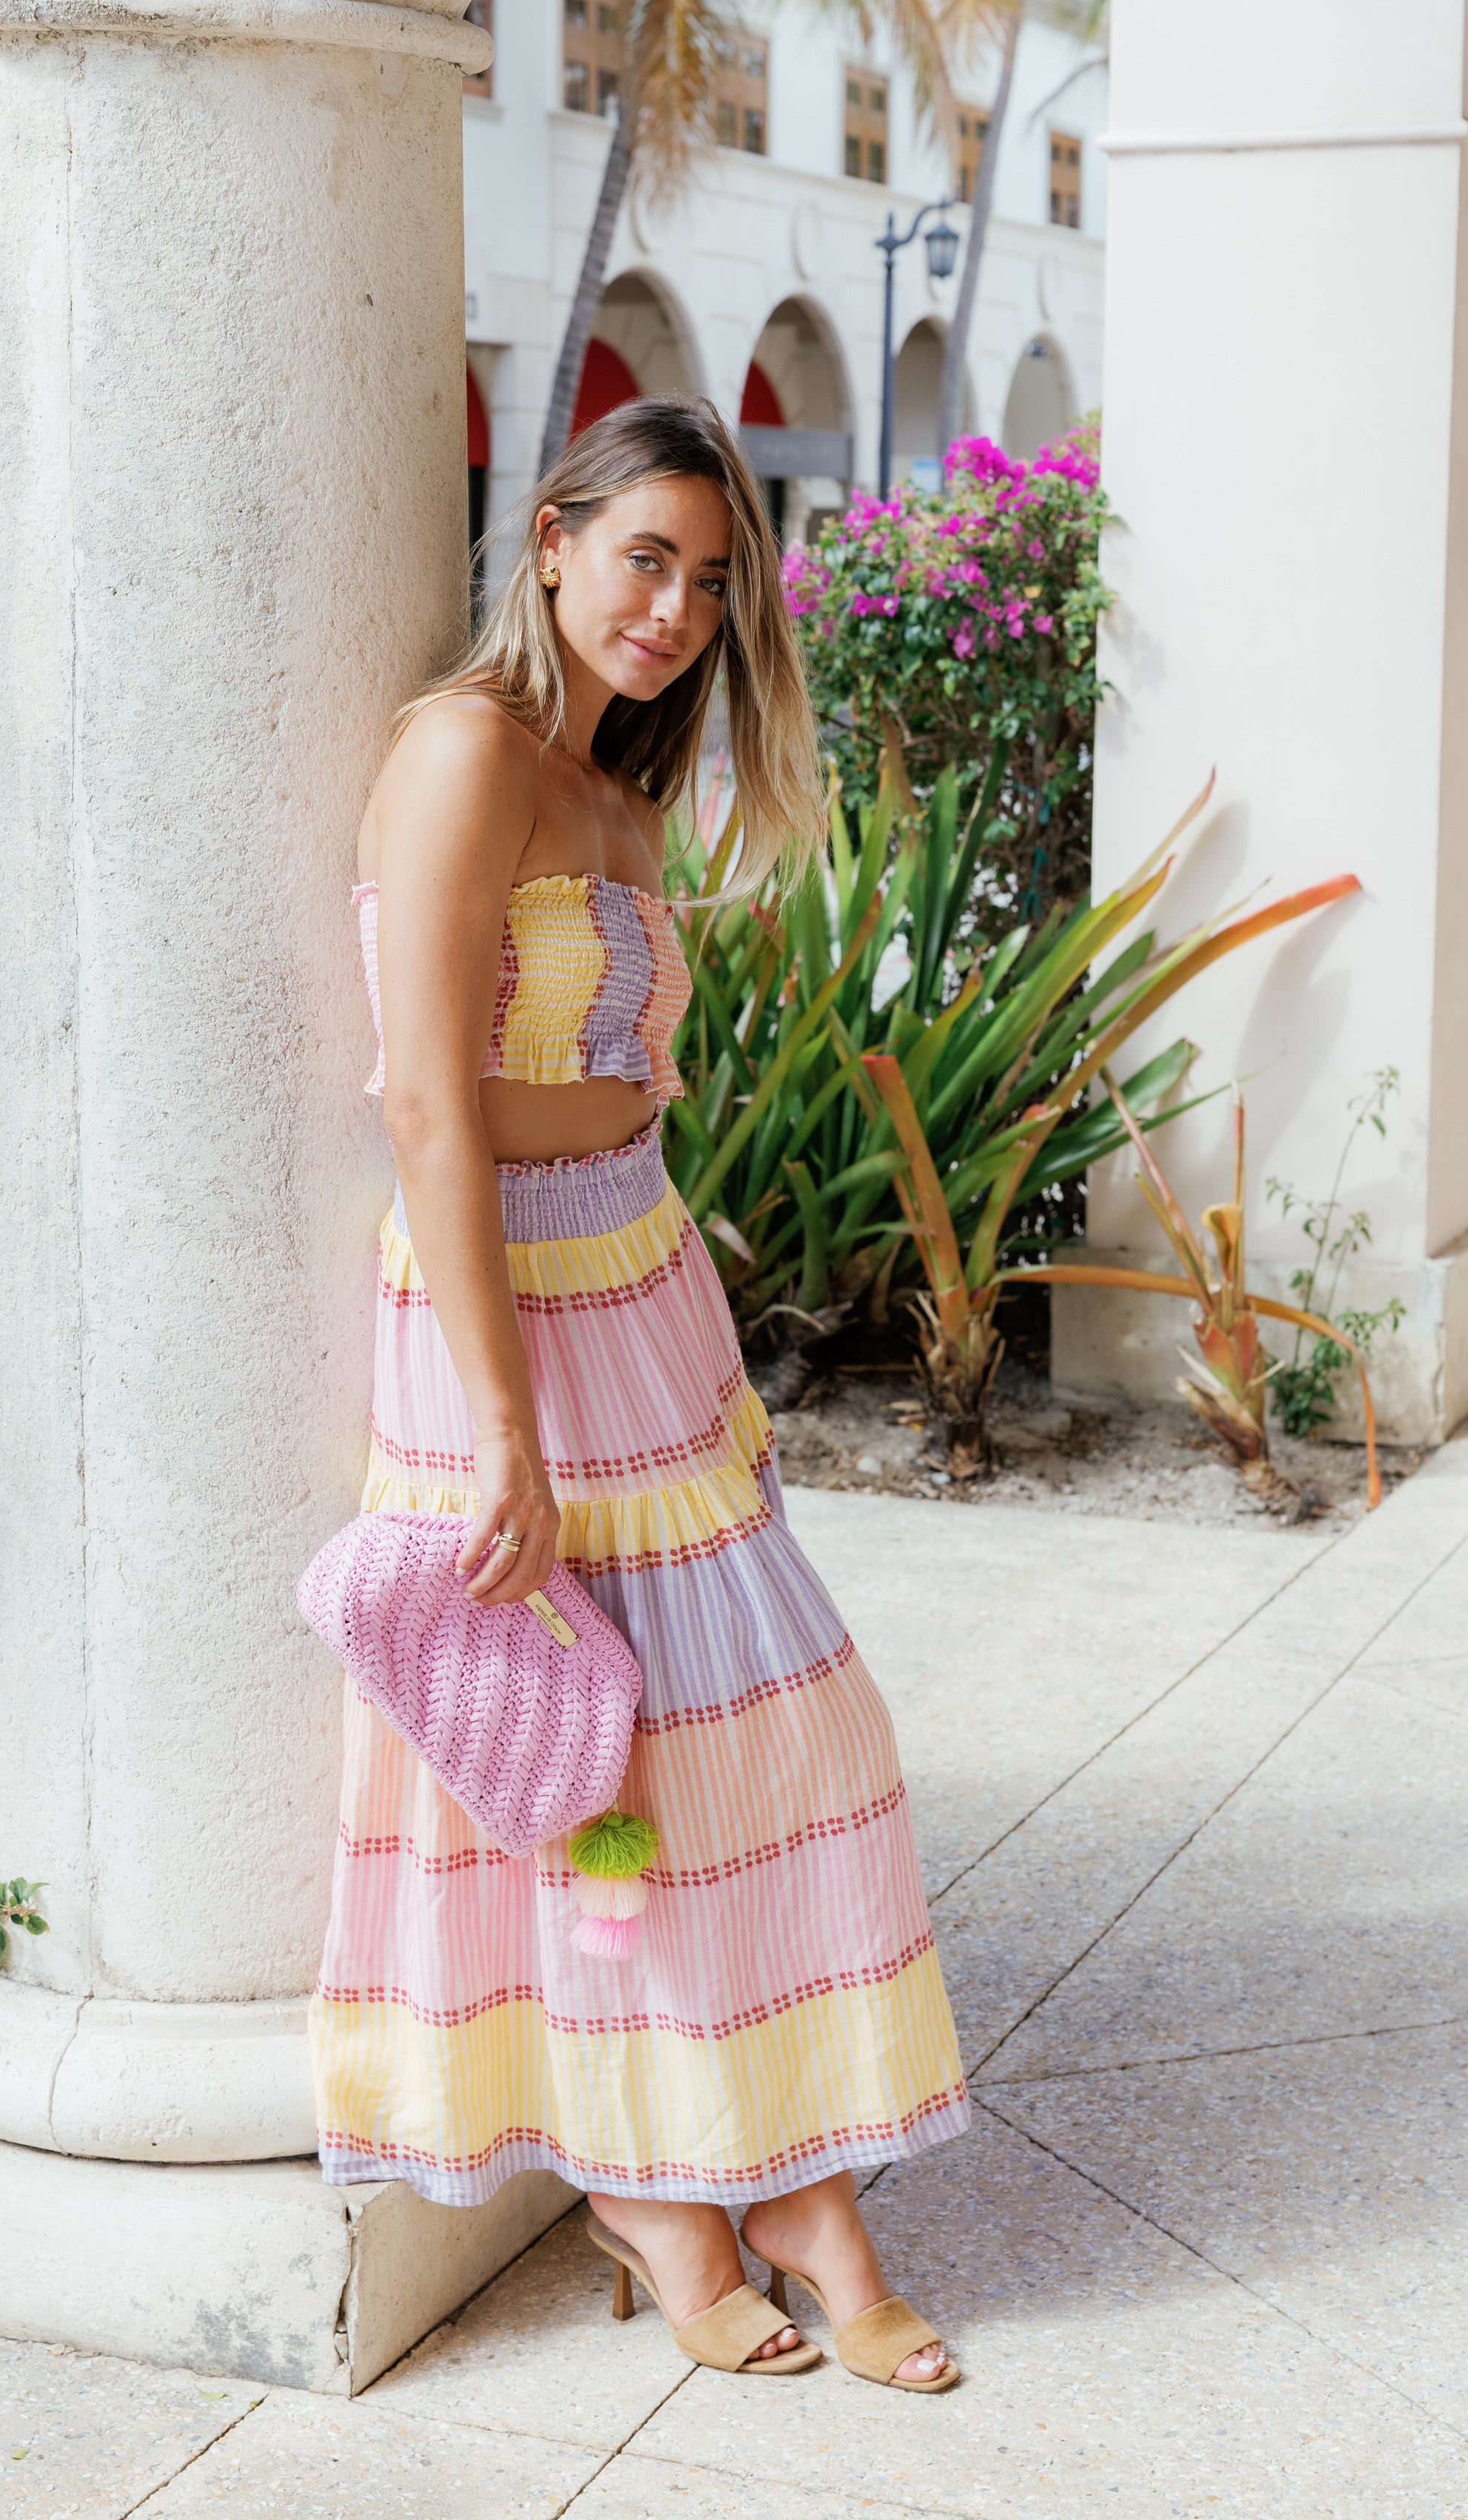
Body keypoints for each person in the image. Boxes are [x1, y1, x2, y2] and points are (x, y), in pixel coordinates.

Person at [312, 396, 970, 2390]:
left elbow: (618, 1098)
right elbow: (430, 1106)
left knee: (775, 1742)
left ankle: (786, 2188)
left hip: (641, 1287)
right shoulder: (463, 753)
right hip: (502, 1310)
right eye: (643, 559)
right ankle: (681, 2204)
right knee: (586, 1765)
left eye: (708, 579)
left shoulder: (615, 792)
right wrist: (504, 1427)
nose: (675, 608)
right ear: (550, 544)